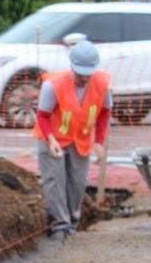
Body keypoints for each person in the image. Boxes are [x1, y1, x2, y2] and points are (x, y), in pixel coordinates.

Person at [32, 39, 113, 238]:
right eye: (80, 74)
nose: (84, 78)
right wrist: (51, 140)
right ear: (72, 67)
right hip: (51, 139)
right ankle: (60, 226)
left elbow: (105, 112)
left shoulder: (102, 85)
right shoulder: (54, 85)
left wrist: (100, 142)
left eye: (88, 74)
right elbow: (42, 116)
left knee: (77, 183)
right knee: (54, 181)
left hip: (80, 140)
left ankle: (72, 224)